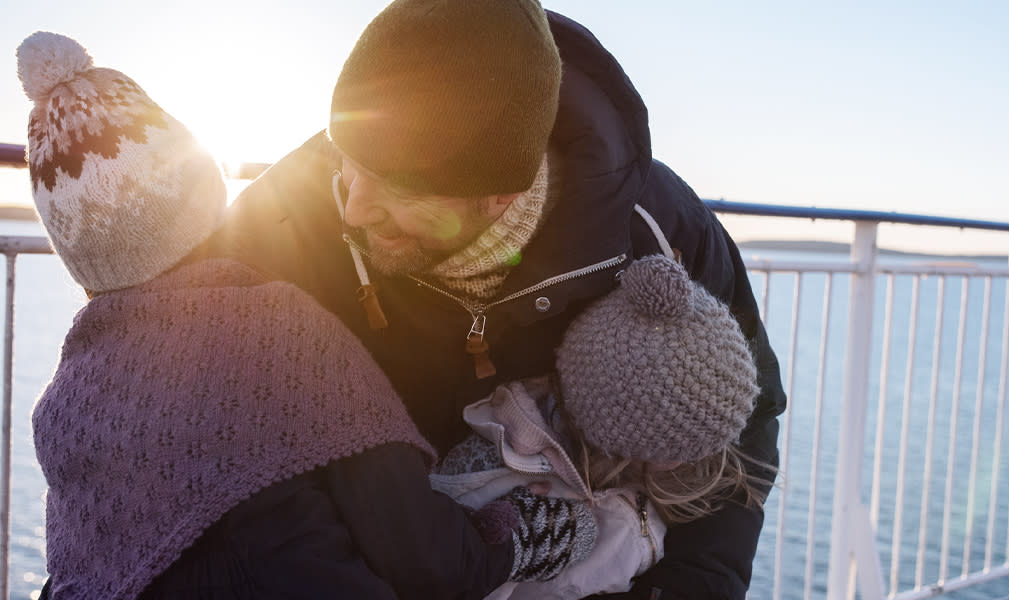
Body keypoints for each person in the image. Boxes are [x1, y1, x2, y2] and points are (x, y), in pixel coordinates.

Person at [215, 1, 788, 597]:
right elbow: (218, 437)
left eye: (397, 188)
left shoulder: (654, 226)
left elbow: (740, 424)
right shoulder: (277, 227)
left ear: (502, 195)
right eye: (349, 164)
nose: (353, 207)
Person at [18, 31, 597, 600]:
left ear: (78, 257)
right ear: (202, 192)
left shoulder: (61, 408)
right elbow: (430, 559)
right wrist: (540, 532)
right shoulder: (281, 331)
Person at [431, 254, 775, 599]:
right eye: (678, 448)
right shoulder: (490, 475)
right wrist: (514, 547)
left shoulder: (662, 473)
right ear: (618, 431)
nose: (694, 460)